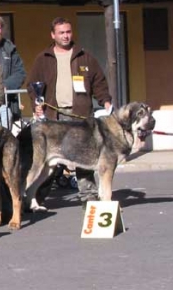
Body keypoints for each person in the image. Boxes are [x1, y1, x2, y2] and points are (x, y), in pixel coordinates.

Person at [26, 17, 112, 208]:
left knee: (84, 158)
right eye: (61, 32)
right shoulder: (43, 58)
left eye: (68, 32)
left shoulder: (84, 56)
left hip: (80, 116)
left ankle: (88, 197)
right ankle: (34, 198)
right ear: (53, 35)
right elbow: (32, 85)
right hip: (53, 118)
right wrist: (36, 104)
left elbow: (99, 82)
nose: (65, 36)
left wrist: (105, 101)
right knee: (50, 160)